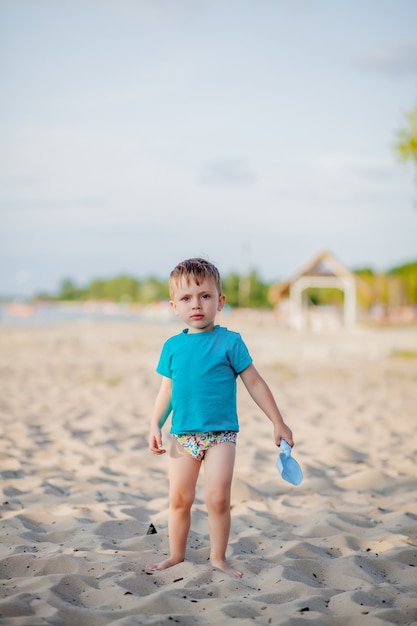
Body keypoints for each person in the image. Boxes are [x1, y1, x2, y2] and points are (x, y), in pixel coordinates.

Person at [147, 258, 294, 578]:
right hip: (182, 435)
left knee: (217, 498)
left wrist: (277, 421)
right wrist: (154, 424)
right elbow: (167, 391)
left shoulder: (231, 342)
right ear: (174, 306)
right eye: (186, 298)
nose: (196, 304)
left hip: (221, 435)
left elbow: (255, 382)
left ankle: (218, 558)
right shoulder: (172, 346)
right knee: (179, 499)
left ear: (220, 301)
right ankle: (176, 555)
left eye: (205, 296)